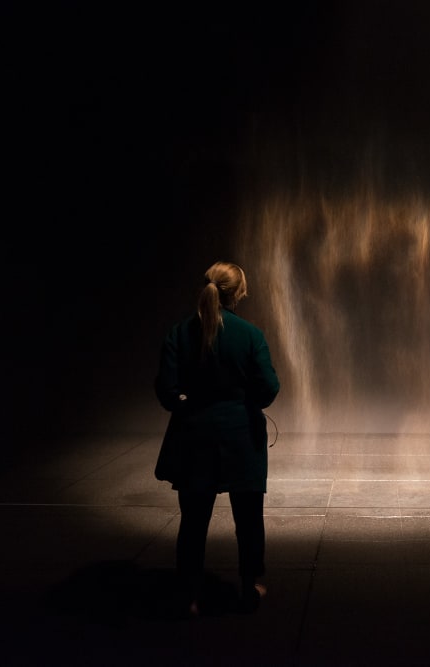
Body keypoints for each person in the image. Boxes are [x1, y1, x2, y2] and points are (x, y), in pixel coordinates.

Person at [154, 260, 280, 617]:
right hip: (242, 438)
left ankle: (189, 594)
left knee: (193, 522)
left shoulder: (179, 333)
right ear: (238, 292)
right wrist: (246, 403)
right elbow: (269, 387)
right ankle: (251, 584)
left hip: (194, 438)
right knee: (249, 519)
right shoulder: (251, 335)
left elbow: (166, 390)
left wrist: (185, 402)